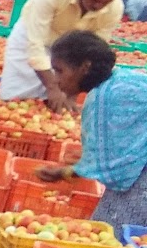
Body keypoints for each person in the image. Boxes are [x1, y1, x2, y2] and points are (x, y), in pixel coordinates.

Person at [32, 31, 147, 226]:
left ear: (84, 67)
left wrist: (66, 173)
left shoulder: (104, 99)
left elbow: (116, 165)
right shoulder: (121, 79)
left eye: (60, 70)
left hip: (140, 185)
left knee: (119, 237)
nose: (56, 79)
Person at [0, 0, 126, 109]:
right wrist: (52, 87)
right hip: (33, 36)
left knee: (58, 104)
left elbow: (92, 52)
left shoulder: (115, 8)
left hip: (71, 50)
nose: (98, 6)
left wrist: (73, 92)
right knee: (16, 98)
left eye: (105, 2)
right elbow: (35, 43)